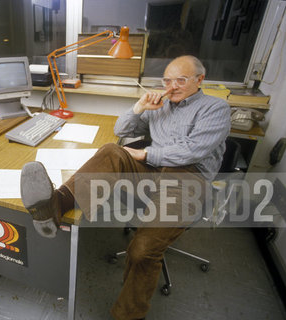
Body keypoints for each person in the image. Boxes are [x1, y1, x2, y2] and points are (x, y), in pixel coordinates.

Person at [20, 55, 231, 320]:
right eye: (167, 80)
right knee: (112, 150)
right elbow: (121, 129)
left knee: (142, 251)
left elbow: (192, 151)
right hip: (153, 171)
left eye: (181, 80)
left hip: (189, 178)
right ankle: (56, 205)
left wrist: (145, 155)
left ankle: (129, 315)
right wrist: (139, 107)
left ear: (200, 79)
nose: (172, 86)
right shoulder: (162, 105)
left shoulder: (215, 108)